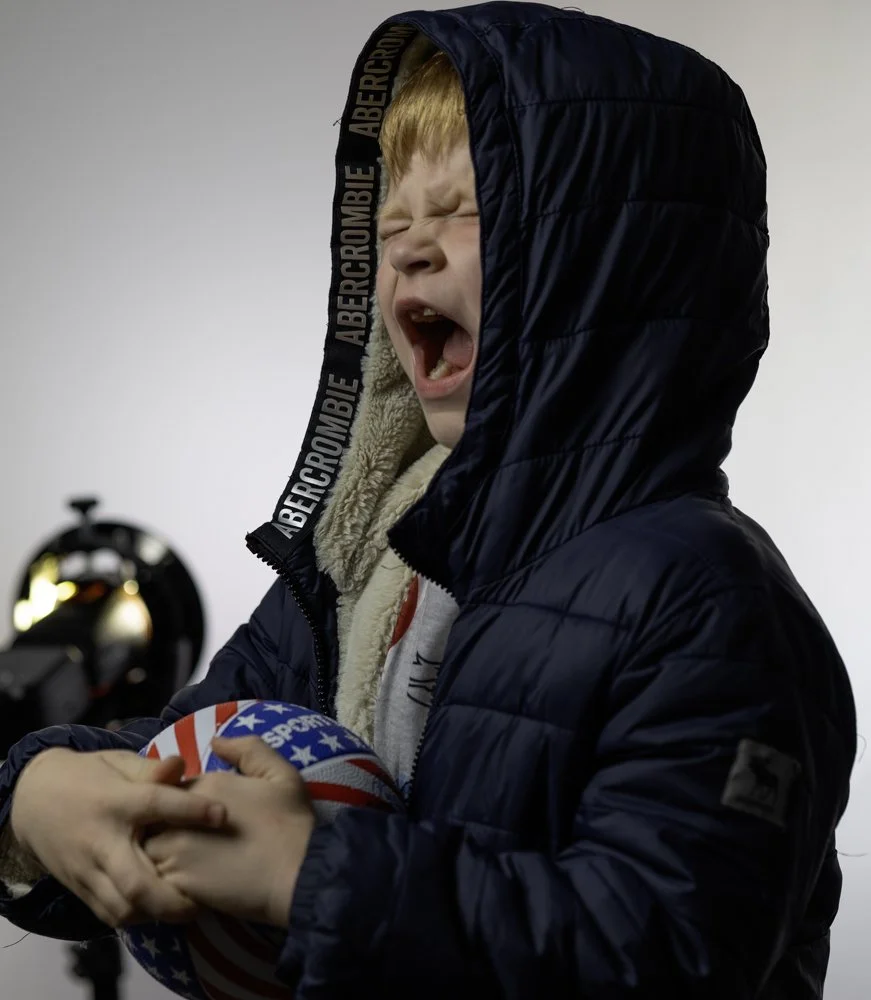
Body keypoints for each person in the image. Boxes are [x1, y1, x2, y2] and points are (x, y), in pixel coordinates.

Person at [0, 4, 857, 997]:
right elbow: (188, 748)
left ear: (606, 269)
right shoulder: (369, 558)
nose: (408, 251)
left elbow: (667, 945)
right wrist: (38, 795)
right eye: (390, 223)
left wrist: (313, 876)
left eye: (466, 211)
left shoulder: (704, 599)